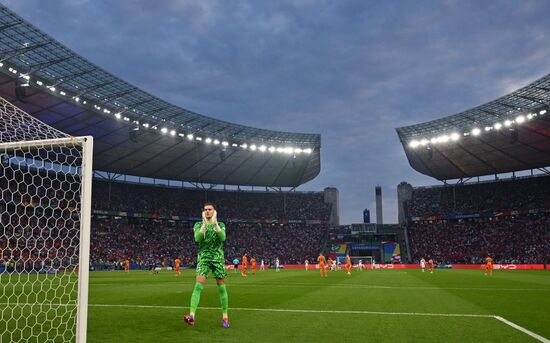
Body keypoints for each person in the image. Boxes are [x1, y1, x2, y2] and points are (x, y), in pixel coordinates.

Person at [183, 202, 230, 329]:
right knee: (198, 286)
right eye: (205, 210)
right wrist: (204, 224)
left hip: (217, 258)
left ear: (214, 211)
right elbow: (198, 239)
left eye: (210, 209)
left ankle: (225, 317)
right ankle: (192, 316)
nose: (207, 211)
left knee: (221, 288)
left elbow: (223, 237)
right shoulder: (198, 224)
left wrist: (214, 224)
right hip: (203, 257)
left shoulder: (220, 225)